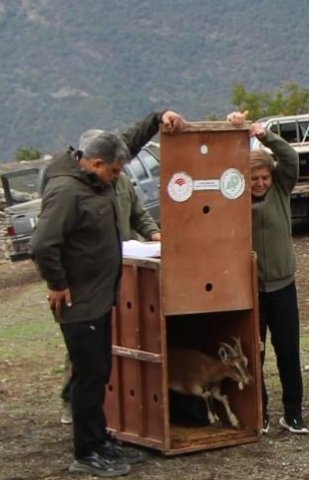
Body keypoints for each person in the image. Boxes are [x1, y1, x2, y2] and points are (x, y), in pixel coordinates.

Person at [32, 110, 187, 477]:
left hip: (100, 296)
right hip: (80, 301)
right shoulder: (67, 191)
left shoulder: (94, 172)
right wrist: (57, 283)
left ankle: (101, 440)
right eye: (115, 172)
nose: (118, 178)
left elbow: (127, 143)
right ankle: (86, 451)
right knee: (88, 376)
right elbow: (42, 244)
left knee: (100, 372)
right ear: (96, 163)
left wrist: (156, 118)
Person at [226, 111, 309, 434]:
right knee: (252, 355)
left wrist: (262, 134)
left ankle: (293, 412)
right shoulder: (233, 200)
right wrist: (235, 132)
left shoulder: (281, 191)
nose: (260, 183)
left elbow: (290, 158)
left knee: (288, 351)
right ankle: (256, 412)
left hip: (283, 286)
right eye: (253, 178)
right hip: (251, 289)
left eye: (264, 177)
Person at [59, 171, 161, 425]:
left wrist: (153, 234)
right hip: (93, 275)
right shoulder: (76, 188)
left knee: (121, 335)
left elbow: (138, 213)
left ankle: (119, 405)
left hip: (126, 265)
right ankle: (71, 400)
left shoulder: (123, 181)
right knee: (86, 345)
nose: (116, 170)